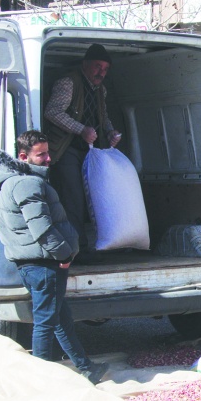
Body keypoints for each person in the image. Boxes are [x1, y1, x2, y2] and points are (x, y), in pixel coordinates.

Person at [0, 131, 109, 384]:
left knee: (60, 319)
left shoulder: (7, 182)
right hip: (45, 264)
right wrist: (64, 255)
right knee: (45, 322)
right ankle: (40, 382)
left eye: (48, 152)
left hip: (33, 263)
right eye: (41, 154)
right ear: (24, 156)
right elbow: (41, 228)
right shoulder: (27, 183)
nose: (48, 158)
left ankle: (86, 367)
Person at [44, 44, 122, 252]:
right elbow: (52, 112)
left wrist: (111, 133)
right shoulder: (68, 83)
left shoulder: (100, 90)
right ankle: (76, 248)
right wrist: (80, 129)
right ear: (85, 65)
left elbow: (103, 116)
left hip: (90, 151)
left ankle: (96, 243)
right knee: (73, 198)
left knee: (95, 196)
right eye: (97, 67)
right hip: (66, 149)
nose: (101, 73)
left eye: (105, 69)